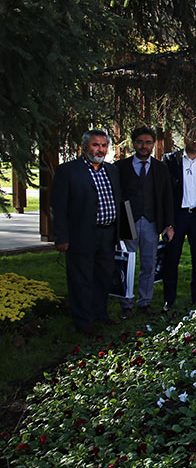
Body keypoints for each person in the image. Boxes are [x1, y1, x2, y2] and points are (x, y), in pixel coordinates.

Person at [52, 129, 122, 334]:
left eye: (103, 145)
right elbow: (59, 207)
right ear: (84, 147)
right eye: (95, 145)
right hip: (81, 235)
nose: (100, 149)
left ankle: (100, 314)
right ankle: (84, 322)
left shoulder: (112, 170)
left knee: (104, 277)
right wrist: (61, 236)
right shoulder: (68, 171)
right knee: (81, 280)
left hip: (107, 234)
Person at [114, 126, 173, 317]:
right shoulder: (120, 167)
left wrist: (168, 224)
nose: (144, 146)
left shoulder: (160, 168)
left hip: (151, 222)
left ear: (153, 144)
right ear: (133, 143)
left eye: (148, 142)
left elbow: (167, 197)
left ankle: (144, 302)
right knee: (127, 264)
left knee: (149, 264)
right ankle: (126, 304)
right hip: (128, 221)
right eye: (140, 142)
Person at [162, 127, 196, 309]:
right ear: (185, 139)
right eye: (193, 137)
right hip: (177, 217)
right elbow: (164, 192)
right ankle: (169, 299)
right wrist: (167, 223)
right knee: (172, 259)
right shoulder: (171, 160)